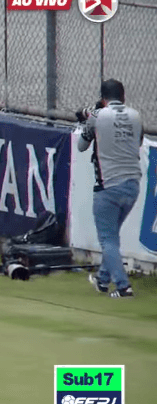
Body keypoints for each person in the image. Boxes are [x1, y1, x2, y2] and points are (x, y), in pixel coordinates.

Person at [77, 79, 143, 298]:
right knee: (112, 237)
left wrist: (87, 120)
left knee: (108, 240)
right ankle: (102, 280)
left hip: (108, 187)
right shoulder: (136, 116)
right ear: (123, 97)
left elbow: (82, 145)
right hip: (133, 185)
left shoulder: (97, 117)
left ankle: (123, 287)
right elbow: (138, 141)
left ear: (103, 98)